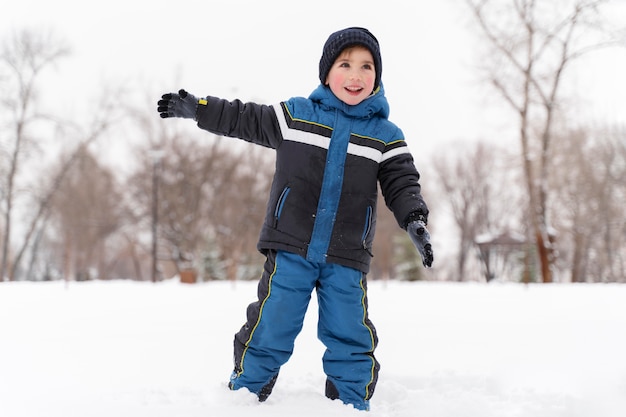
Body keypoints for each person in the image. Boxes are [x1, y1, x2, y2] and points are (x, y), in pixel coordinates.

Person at [157, 26, 433, 411]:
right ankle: (246, 392)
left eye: (366, 66)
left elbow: (402, 183)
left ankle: (351, 402)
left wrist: (414, 219)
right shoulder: (296, 116)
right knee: (273, 321)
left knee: (349, 331)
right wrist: (199, 108)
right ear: (326, 73)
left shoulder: (385, 136)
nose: (356, 75)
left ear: (377, 77)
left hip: (346, 254)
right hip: (292, 245)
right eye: (346, 64)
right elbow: (243, 118)